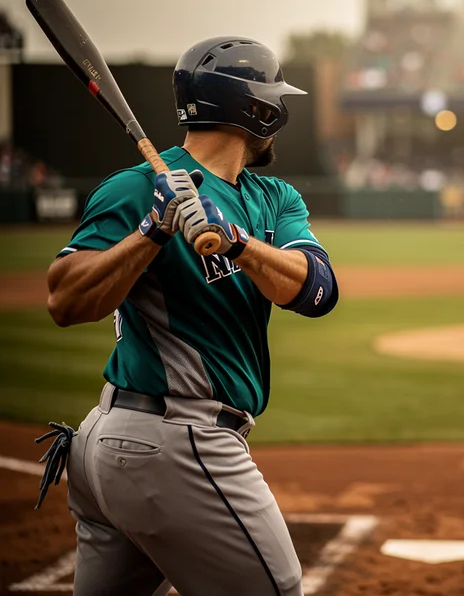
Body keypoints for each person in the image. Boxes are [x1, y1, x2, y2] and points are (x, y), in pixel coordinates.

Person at [36, 36, 338, 596]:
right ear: (259, 111)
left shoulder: (274, 198)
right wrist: (151, 233)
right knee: (279, 588)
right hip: (176, 442)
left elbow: (317, 291)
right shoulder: (134, 190)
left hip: (136, 450)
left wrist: (238, 243)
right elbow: (65, 301)